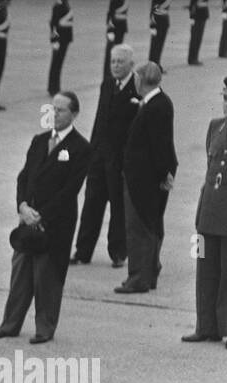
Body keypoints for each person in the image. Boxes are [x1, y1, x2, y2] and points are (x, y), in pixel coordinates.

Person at [0, 92, 91, 344]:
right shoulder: (39, 140)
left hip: (55, 224)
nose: (54, 115)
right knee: (20, 274)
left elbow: (70, 190)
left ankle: (45, 327)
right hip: (28, 220)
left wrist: (41, 216)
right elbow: (24, 177)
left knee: (48, 277)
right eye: (52, 109)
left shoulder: (80, 147)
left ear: (74, 114)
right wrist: (22, 206)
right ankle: (10, 324)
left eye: (61, 110)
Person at [183, 75, 227, 350]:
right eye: (225, 98)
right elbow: (211, 169)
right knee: (205, 271)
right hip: (209, 211)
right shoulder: (215, 127)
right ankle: (206, 326)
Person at [73, 45, 139, 268]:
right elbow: (100, 119)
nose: (116, 65)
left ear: (131, 64)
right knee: (91, 203)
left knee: (118, 206)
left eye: (120, 61)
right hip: (99, 155)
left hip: (120, 159)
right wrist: (91, 151)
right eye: (113, 61)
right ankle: (83, 251)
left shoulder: (136, 87)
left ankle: (118, 252)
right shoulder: (107, 84)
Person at [117, 62, 177, 295]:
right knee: (150, 225)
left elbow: (160, 145)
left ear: (140, 79)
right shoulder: (157, 102)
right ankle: (148, 273)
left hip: (144, 179)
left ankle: (138, 278)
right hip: (149, 177)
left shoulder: (155, 106)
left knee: (139, 227)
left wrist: (164, 175)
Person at [48, 1, 73, 96]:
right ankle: (52, 88)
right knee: (56, 64)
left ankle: (56, 87)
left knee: (59, 64)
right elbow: (53, 24)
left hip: (65, 38)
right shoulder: (58, 6)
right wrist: (54, 40)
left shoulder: (65, 4)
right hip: (60, 38)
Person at [105, 0, 130, 80]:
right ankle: (108, 75)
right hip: (114, 29)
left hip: (121, 27)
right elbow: (111, 13)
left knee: (117, 53)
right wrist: (110, 30)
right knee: (110, 54)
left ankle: (114, 73)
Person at [150, 1, 171, 65]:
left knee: (159, 46)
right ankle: (153, 65)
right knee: (155, 45)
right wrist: (152, 25)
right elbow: (154, 9)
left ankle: (157, 63)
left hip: (163, 21)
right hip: (157, 21)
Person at [190, 0, 211, 65]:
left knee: (198, 38)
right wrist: (191, 17)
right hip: (196, 15)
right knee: (195, 38)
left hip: (203, 14)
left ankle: (195, 58)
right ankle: (192, 59)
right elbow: (193, 4)